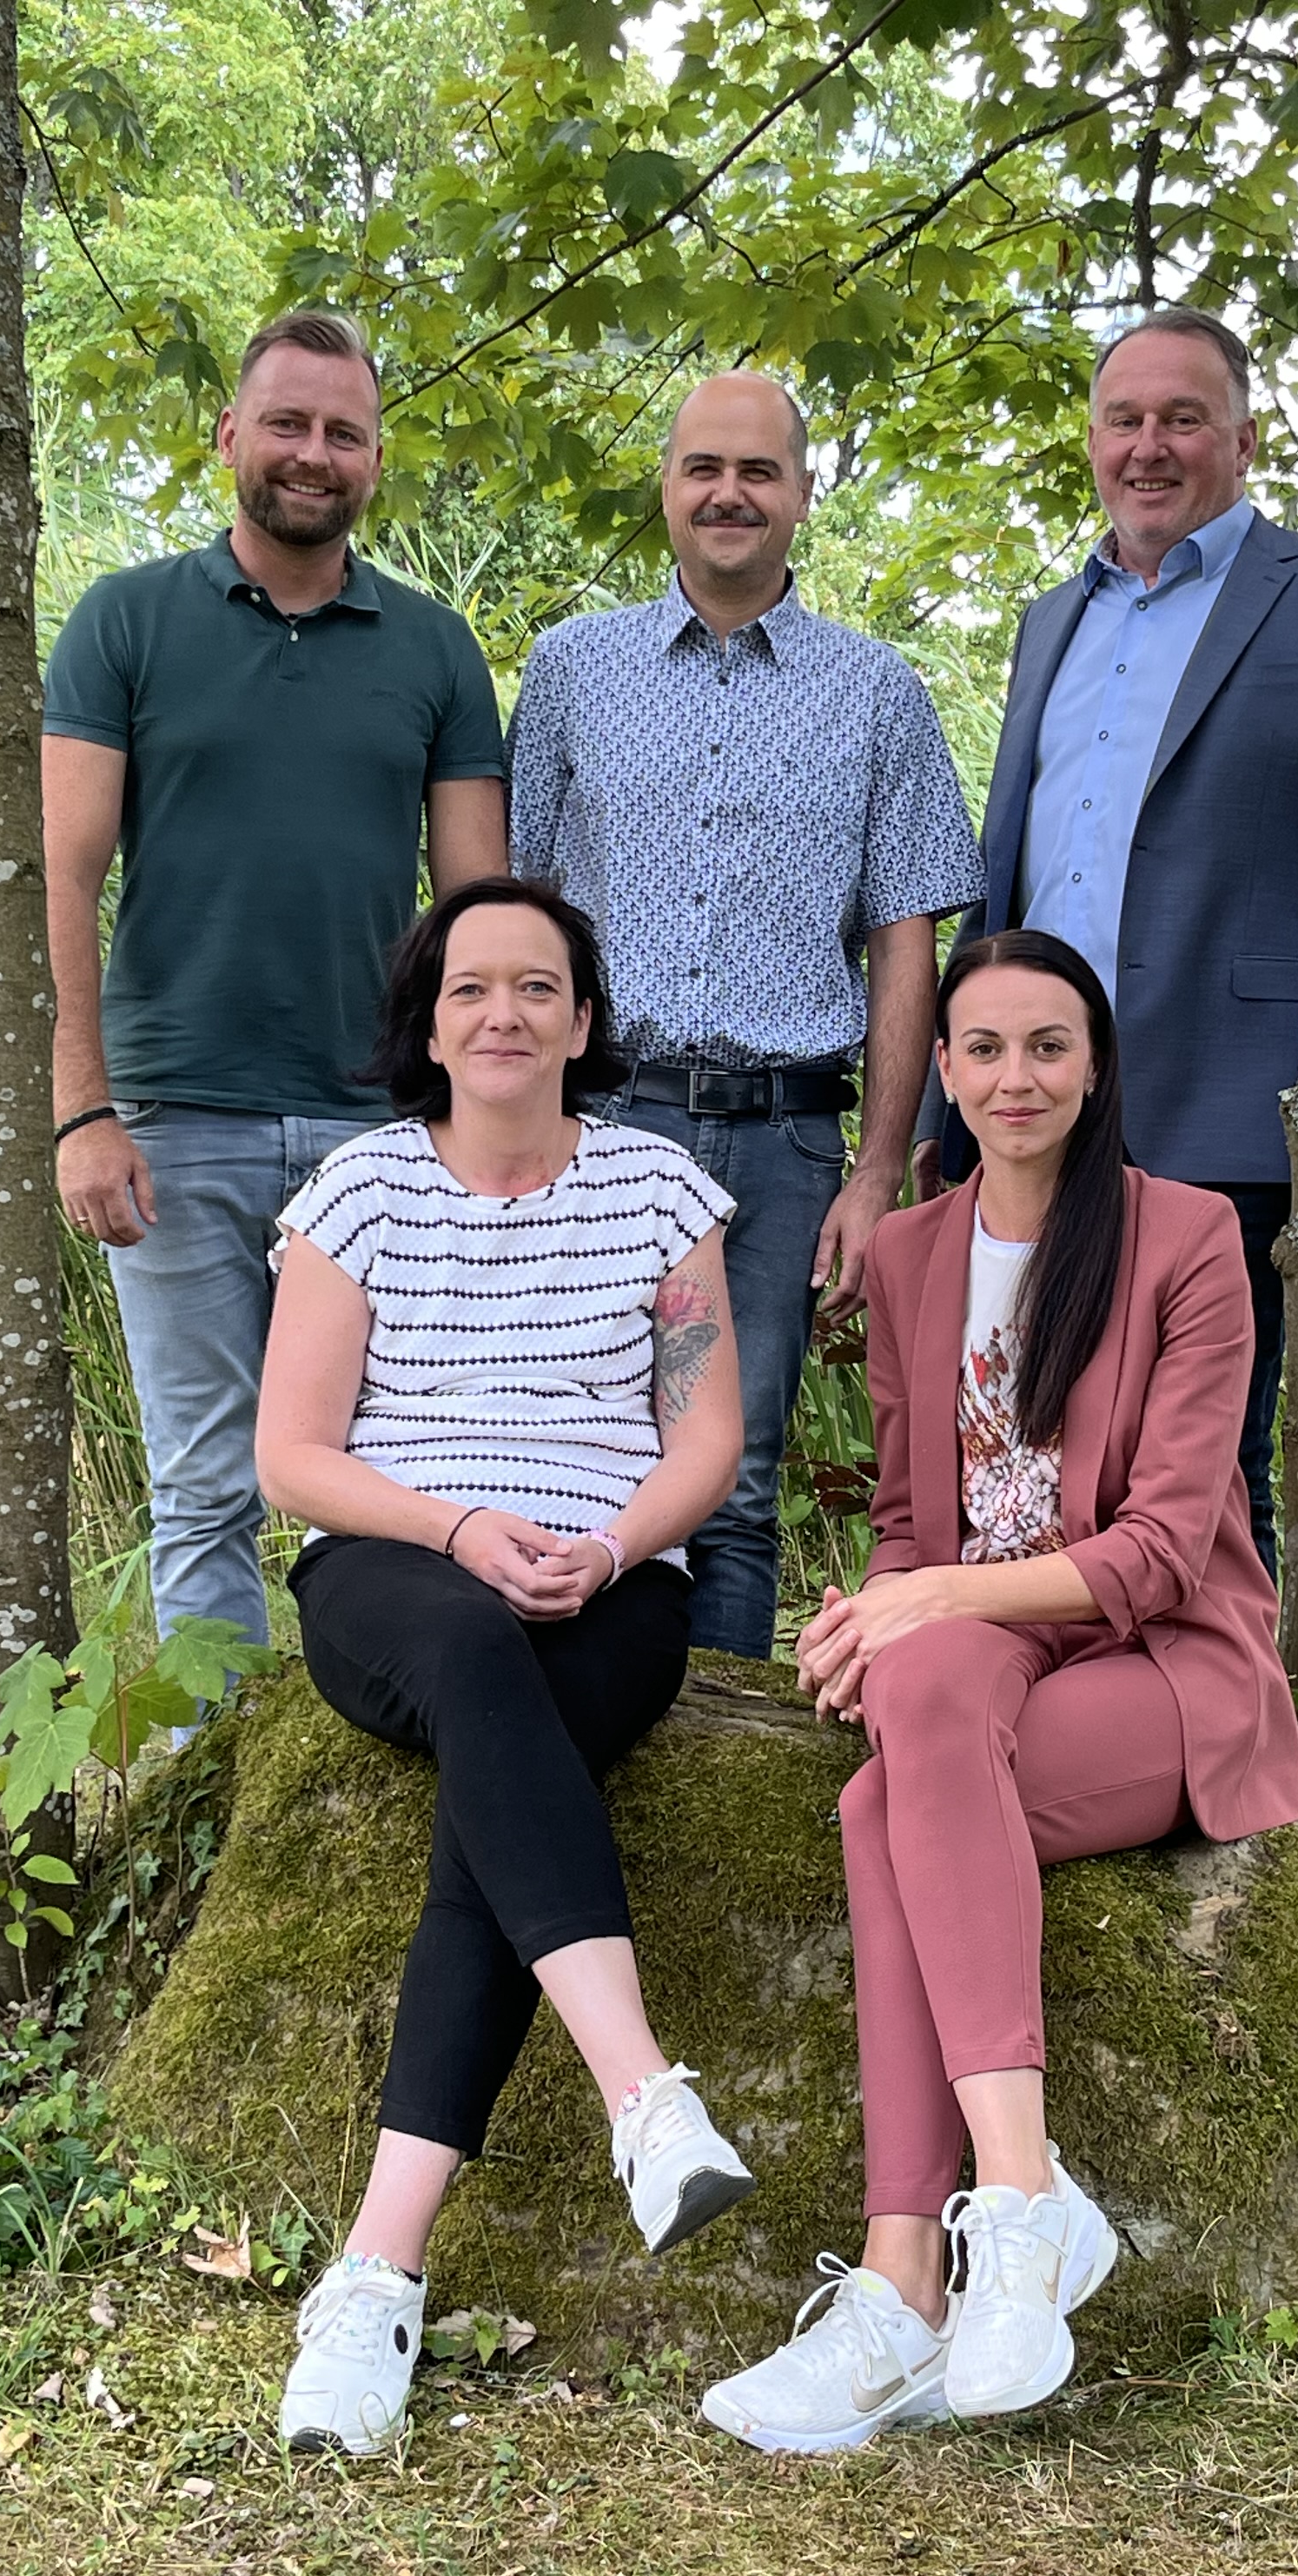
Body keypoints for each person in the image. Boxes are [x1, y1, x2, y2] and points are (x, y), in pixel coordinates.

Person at [705, 926, 1298, 2455]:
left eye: (1048, 1045)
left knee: (884, 1799)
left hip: (1163, 1668)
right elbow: (917, 1526)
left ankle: (982, 2227)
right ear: (946, 1074)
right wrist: (874, 1617)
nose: (1014, 1076)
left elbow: (1162, 1550)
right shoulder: (914, 1254)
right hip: (991, 1671)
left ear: (1096, 1066)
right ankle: (931, 2275)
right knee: (907, 1725)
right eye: (981, 1048)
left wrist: (925, 1604)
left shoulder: (1186, 1238)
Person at [255, 875, 758, 2460]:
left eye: (538, 986)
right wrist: (461, 1527)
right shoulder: (357, 1195)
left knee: (495, 1811)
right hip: (396, 1571)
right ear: (430, 1023)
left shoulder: (660, 1192)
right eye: (471, 987)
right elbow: (292, 1456)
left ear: (583, 1021)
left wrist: (606, 1549)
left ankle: (375, 2273)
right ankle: (643, 2095)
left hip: (608, 1587)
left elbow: (707, 1438)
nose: (504, 1014)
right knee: (477, 1651)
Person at [43, 309, 509, 1658]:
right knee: (204, 1489)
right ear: (230, 435)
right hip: (174, 1119)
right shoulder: (127, 622)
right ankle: (217, 1765)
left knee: (392, 1479)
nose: (315, 453)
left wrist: (478, 1128)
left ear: (376, 459)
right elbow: (63, 873)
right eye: (288, 424)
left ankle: (368, 1751)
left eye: (344, 433)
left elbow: (477, 914)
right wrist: (83, 1111)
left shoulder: (433, 649)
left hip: (381, 1127)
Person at [509, 371, 981, 1657]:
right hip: (598, 1127)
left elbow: (906, 941)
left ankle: (715, 1747)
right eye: (704, 468)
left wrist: (878, 1169)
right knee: (573, 1448)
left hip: (781, 1150)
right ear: (665, 487)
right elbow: (517, 911)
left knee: (735, 1476)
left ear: (804, 495)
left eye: (760, 471)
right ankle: (568, 1730)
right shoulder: (571, 671)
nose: (730, 493)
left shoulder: (877, 691)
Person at [924, 306, 1298, 1571]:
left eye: (1183, 419)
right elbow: (1008, 869)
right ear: (1095, 442)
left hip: (1226, 1088)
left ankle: (1225, 1695)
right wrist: (951, 1108)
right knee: (1028, 1448)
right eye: (1124, 420)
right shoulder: (1053, 620)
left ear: (1245, 441)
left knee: (1212, 1465)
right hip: (1035, 1097)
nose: (1149, 446)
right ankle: (1051, 1687)